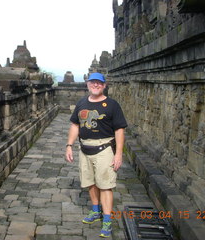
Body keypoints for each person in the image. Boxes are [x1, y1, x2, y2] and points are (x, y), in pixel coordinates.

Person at [65, 72, 127, 238]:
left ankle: (107, 220)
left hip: (104, 149)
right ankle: (95, 211)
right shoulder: (81, 103)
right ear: (87, 84)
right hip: (85, 148)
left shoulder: (112, 105)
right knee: (90, 182)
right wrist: (69, 145)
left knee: (105, 185)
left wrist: (118, 154)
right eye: (93, 82)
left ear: (104, 85)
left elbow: (119, 130)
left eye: (99, 83)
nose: (96, 85)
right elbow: (74, 125)